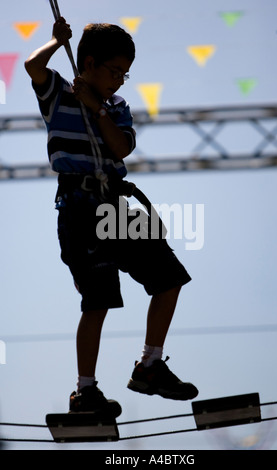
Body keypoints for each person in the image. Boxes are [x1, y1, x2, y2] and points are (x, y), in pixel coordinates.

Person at [25, 17, 198, 417]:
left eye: (125, 74)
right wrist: (55, 42)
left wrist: (97, 109)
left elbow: (120, 149)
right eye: (113, 71)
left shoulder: (116, 107)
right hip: (79, 208)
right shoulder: (57, 93)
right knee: (97, 301)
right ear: (87, 63)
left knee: (170, 278)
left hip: (115, 206)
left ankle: (150, 365)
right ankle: (85, 392)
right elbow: (33, 68)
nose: (119, 81)